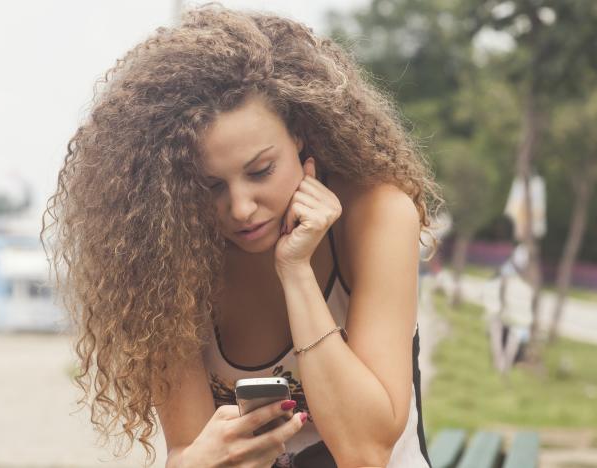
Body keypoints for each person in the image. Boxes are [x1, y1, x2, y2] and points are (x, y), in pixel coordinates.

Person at [42, 5, 441, 467]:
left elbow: (365, 451)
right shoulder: (165, 264)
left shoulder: (376, 214)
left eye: (261, 171)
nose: (241, 208)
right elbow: (187, 451)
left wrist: (295, 270)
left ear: (301, 136)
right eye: (210, 186)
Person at [481, 246, 533, 375]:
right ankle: (504, 365)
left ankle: (501, 363)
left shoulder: (508, 273)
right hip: (515, 317)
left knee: (499, 330)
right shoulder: (522, 276)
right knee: (508, 334)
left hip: (510, 316)